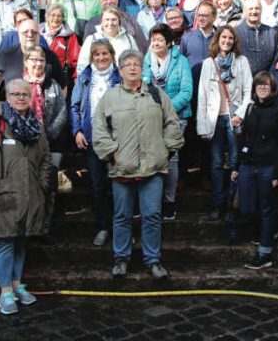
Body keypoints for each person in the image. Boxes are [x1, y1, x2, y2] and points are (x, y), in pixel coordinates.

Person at [93, 49, 184, 279]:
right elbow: (99, 128)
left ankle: (153, 260)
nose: (132, 68)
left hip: (152, 167)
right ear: (120, 70)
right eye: (127, 65)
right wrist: (112, 153)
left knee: (152, 215)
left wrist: (165, 150)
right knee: (122, 216)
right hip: (122, 167)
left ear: (142, 69)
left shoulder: (156, 94)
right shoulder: (110, 97)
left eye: (136, 64)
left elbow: (172, 122)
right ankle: (121, 259)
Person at [0, 78, 51, 315]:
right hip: (2, 196)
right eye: (15, 94)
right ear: (7, 97)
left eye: (25, 94)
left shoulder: (36, 126)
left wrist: (42, 185)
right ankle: (5, 292)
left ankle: (17, 284)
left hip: (30, 196)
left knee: (21, 242)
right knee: (4, 243)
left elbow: (45, 158)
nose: (21, 98)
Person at [232, 71, 278, 269]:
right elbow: (245, 139)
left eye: (266, 85)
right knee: (247, 207)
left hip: (269, 165)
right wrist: (237, 166)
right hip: (249, 164)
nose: (262, 88)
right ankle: (265, 232)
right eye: (259, 85)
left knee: (267, 209)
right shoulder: (251, 108)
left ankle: (265, 252)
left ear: (273, 88)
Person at [196, 25, 253, 220]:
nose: (227, 41)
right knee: (217, 163)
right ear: (217, 39)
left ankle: (232, 204)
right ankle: (218, 203)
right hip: (214, 120)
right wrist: (202, 125)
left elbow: (248, 92)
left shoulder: (242, 62)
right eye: (223, 37)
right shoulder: (208, 64)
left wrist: (241, 114)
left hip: (234, 119)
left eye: (230, 38)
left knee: (236, 162)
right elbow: (202, 96)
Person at [70, 40, 122, 246]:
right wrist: (77, 131)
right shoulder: (84, 78)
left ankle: (120, 228)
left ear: (112, 55)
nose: (101, 58)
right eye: (96, 54)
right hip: (92, 141)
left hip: (117, 141)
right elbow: (74, 107)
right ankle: (102, 227)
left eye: (105, 54)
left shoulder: (120, 77)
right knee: (98, 186)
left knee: (119, 187)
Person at [142, 24, 193, 221]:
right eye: (153, 39)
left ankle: (169, 201)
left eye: (160, 39)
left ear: (169, 42)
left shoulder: (181, 61)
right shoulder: (145, 61)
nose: (155, 43)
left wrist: (166, 108)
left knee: (171, 161)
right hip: (149, 118)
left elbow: (186, 91)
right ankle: (152, 200)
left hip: (175, 118)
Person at [23, 47, 67, 244]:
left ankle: (44, 228)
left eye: (41, 60)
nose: (37, 63)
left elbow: (61, 111)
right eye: (33, 59)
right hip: (24, 145)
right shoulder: (18, 84)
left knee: (48, 186)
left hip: (49, 142)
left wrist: (48, 135)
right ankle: (26, 230)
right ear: (26, 62)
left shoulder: (53, 85)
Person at [0, 19, 66, 112]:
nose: (30, 35)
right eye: (25, 32)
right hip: (13, 117)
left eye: (34, 32)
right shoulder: (8, 54)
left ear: (39, 35)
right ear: (19, 34)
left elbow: (63, 85)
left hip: (45, 118)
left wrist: (58, 110)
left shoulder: (50, 56)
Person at [82, 0, 149, 52]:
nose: (109, 2)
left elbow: (141, 42)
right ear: (101, 2)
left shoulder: (129, 18)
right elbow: (87, 48)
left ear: (117, 0)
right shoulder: (92, 22)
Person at [77, 6, 138, 74]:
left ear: (119, 21)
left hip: (126, 82)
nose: (110, 23)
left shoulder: (129, 38)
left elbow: (137, 61)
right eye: (107, 19)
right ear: (101, 22)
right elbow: (82, 66)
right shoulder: (92, 39)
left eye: (114, 19)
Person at [234, 0, 278, 76]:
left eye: (257, 8)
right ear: (244, 11)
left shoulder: (272, 33)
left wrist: (267, 78)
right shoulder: (235, 33)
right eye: (250, 9)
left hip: (265, 83)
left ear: (261, 10)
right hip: (241, 82)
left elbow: (275, 60)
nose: (254, 11)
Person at [40, 4, 81, 89]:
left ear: (63, 18)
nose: (56, 18)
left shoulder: (70, 36)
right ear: (47, 16)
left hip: (60, 77)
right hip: (39, 75)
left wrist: (76, 77)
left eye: (59, 16)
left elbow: (76, 60)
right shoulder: (38, 32)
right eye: (53, 15)